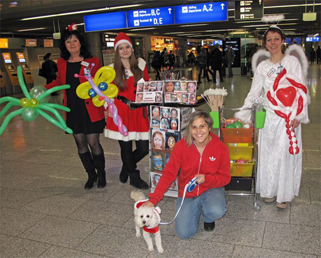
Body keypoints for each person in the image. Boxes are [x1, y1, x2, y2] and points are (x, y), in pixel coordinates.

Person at [235, 25, 310, 209]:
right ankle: (268, 190)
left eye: (276, 39)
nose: (273, 43)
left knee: (284, 154)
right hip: (269, 116)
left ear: (282, 41)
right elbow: (254, 93)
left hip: (288, 116)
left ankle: (283, 195)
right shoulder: (262, 66)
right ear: (265, 43)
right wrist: (243, 113)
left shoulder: (292, 62)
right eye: (269, 40)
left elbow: (301, 88)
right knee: (268, 153)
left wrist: (299, 115)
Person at [144, 111, 230, 239]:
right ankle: (195, 207)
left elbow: (225, 178)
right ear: (190, 128)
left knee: (216, 210)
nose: (198, 131)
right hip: (188, 192)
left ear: (209, 127)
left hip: (210, 188)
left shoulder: (221, 148)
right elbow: (169, 174)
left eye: (202, 126)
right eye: (194, 127)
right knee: (184, 233)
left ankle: (208, 217)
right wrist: (153, 200)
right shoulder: (181, 147)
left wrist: (207, 179)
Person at [44, 27, 106, 189]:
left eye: (74, 40)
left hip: (90, 109)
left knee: (94, 143)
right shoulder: (62, 62)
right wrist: (45, 89)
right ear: (64, 45)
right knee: (80, 144)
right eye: (68, 41)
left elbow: (101, 81)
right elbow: (59, 81)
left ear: (81, 43)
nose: (71, 44)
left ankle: (101, 174)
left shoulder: (93, 61)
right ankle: (91, 175)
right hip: (72, 109)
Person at [104, 32, 149, 189]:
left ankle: (126, 167)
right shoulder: (110, 70)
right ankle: (134, 176)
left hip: (139, 111)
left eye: (127, 47)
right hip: (120, 111)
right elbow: (104, 92)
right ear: (117, 51)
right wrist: (107, 107)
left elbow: (148, 86)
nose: (124, 50)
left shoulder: (141, 65)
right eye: (121, 48)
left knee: (144, 148)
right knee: (126, 146)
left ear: (132, 48)